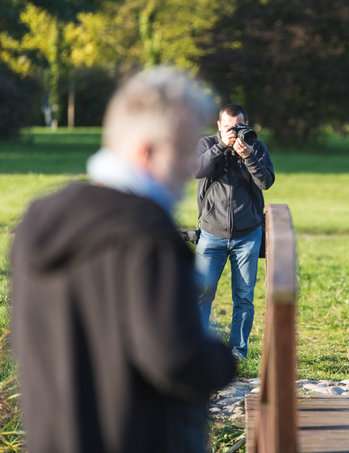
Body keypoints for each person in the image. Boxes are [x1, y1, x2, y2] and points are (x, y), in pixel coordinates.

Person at [10, 67, 237, 453]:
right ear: (147, 152)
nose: (189, 168)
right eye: (183, 152)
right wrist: (221, 360)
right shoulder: (146, 235)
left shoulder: (39, 220)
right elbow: (174, 356)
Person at [194, 104, 275, 359]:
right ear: (219, 126)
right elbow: (196, 170)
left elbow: (266, 182)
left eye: (238, 127)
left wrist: (248, 156)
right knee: (201, 295)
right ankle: (199, 350)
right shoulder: (207, 144)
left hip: (247, 234)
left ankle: (238, 352)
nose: (233, 132)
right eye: (228, 127)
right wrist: (221, 147)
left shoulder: (256, 146)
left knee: (244, 298)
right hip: (211, 233)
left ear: (247, 125)